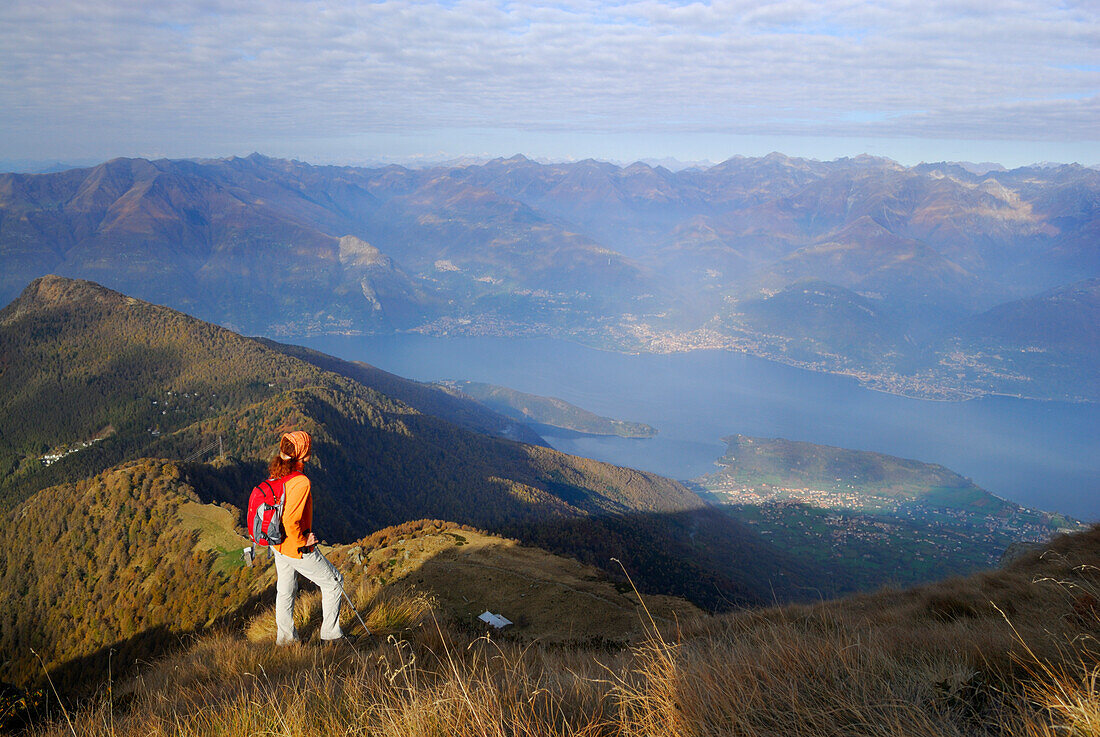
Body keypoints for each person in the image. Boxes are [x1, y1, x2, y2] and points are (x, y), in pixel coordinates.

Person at [269, 430, 345, 645]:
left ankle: (286, 640)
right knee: (334, 582)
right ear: (303, 452)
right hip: (295, 546)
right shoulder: (300, 482)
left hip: (277, 544)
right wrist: (303, 542)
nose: (311, 449)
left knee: (285, 590)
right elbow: (289, 520)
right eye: (308, 447)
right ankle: (331, 636)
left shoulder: (277, 473)